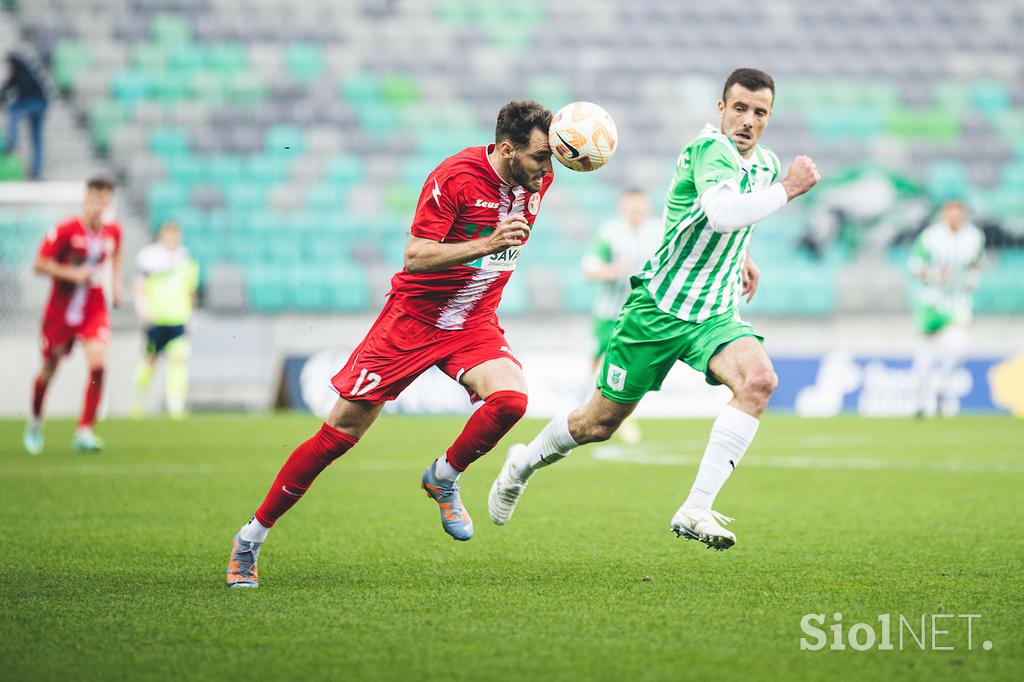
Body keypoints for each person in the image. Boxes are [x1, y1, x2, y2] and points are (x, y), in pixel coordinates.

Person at [226, 100, 555, 588]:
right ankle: (249, 540)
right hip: (413, 321)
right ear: (507, 150)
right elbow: (415, 257)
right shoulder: (454, 177)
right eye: (540, 158)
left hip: (472, 320)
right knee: (337, 436)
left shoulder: (538, 177)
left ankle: (444, 475)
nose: (548, 170)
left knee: (510, 401)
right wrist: (485, 243)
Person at [488, 68, 821, 551]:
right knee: (598, 424)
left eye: (760, 112)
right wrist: (791, 188)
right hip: (657, 311)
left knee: (759, 381)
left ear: (770, 117)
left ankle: (695, 508)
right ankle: (523, 462)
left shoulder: (765, 164)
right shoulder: (710, 150)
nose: (748, 120)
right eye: (740, 108)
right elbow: (721, 212)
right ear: (720, 109)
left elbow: (728, 218)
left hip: (713, 313)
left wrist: (744, 256)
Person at [23, 176, 122, 454]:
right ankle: (34, 420)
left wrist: (115, 284)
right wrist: (73, 274)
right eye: (93, 199)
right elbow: (39, 265)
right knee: (49, 370)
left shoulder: (113, 232)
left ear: (108, 203)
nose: (96, 205)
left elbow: (116, 257)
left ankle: (84, 429)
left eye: (102, 200)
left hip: (93, 307)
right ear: (85, 199)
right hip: (61, 309)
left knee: (99, 361)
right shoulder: (66, 230)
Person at [581, 188, 664, 444]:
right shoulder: (610, 232)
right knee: (598, 362)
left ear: (647, 207)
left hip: (641, 313)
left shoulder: (659, 231)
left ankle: (624, 416)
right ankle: (587, 409)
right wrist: (612, 271)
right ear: (623, 207)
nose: (635, 210)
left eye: (640, 206)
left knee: (631, 366)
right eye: (631, 206)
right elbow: (589, 268)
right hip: (608, 313)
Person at [907, 200, 985, 418]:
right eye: (951, 213)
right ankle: (920, 402)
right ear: (944, 215)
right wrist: (933, 275)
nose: (955, 218)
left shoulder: (974, 237)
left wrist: (973, 278)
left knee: (960, 347)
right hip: (931, 301)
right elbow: (914, 265)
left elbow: (976, 264)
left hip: (957, 300)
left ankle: (942, 389)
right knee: (925, 358)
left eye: (959, 213)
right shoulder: (930, 237)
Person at [132, 221, 200, 420]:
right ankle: (139, 399)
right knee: (150, 361)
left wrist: (191, 314)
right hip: (156, 318)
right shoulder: (149, 257)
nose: (172, 240)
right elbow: (140, 285)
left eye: (175, 236)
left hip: (178, 318)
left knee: (178, 360)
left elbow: (190, 289)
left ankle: (175, 405)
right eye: (168, 236)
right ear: (161, 237)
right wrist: (142, 308)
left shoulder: (185, 257)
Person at [1, 51, 48, 180]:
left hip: (36, 103)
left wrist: (5, 100)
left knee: (14, 111)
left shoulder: (24, 72)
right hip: (39, 105)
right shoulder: (19, 72)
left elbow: (20, 90)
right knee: (36, 140)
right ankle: (36, 172)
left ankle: (12, 142)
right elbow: (6, 88)